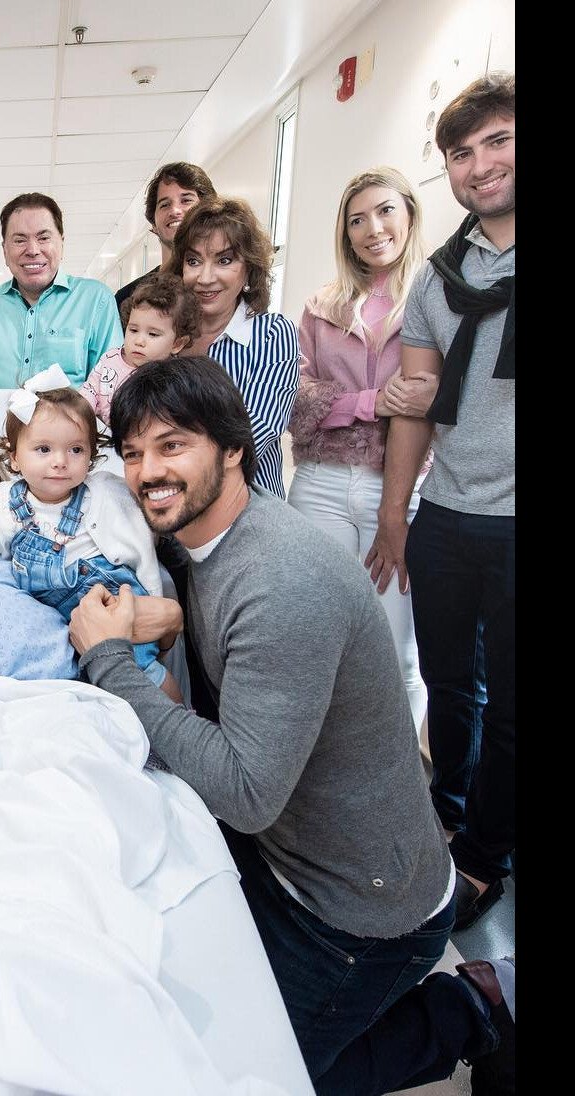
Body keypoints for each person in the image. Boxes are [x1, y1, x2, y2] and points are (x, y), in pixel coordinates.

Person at [68, 356, 512, 1094]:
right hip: (289, 861)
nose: (148, 471)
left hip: (360, 918)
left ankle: (475, 1003)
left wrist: (110, 661)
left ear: (235, 447)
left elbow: (246, 793)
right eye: (135, 453)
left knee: (253, 1081)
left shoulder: (281, 580)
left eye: (173, 444)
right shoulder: (202, 542)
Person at [366, 73, 515, 932]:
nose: (480, 164)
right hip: (450, 515)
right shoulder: (439, 277)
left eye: (498, 141)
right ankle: (450, 814)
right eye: (462, 153)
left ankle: (488, 856)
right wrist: (396, 514)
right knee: (450, 684)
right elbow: (417, 397)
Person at [0, 364, 177, 699]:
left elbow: (141, 536)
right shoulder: (1, 503)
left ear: (91, 456)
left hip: (113, 598)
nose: (60, 461)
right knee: (83, 681)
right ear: (14, 457)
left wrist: (154, 596)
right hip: (59, 621)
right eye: (43, 449)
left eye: (76, 450)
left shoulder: (107, 492)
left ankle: (180, 716)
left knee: (146, 670)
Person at [287, 167, 439, 731]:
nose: (372, 229)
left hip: (399, 485)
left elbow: (438, 401)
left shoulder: (436, 300)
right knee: (321, 636)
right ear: (345, 234)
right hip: (321, 483)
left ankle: (397, 786)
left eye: (385, 211)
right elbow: (296, 403)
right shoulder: (321, 307)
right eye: (357, 220)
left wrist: (366, 402)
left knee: (398, 647)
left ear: (409, 216)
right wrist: (372, 402)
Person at [165, 196, 299, 497]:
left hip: (247, 509)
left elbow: (253, 431)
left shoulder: (273, 334)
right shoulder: (165, 337)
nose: (205, 277)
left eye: (224, 260)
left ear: (249, 271)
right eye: (194, 261)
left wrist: (172, 457)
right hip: (172, 512)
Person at [0, 192, 123, 393]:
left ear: (62, 243)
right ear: (5, 250)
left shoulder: (95, 300)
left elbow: (109, 392)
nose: (32, 250)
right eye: (19, 240)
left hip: (73, 425)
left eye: (43, 238)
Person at [81, 273, 200, 425]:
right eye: (133, 330)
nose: (139, 341)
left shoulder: (173, 378)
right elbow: (89, 391)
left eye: (153, 334)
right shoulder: (109, 359)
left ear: (177, 344)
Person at [116, 162, 217, 307]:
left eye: (186, 200)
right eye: (164, 204)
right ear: (153, 224)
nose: (175, 210)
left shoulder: (222, 289)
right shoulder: (127, 298)